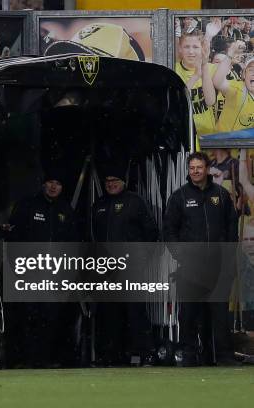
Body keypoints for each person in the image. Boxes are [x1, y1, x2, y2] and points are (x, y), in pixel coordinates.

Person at [163, 152, 238, 366]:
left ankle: (223, 357)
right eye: (192, 168)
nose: (195, 171)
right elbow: (169, 231)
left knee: (219, 316)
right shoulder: (179, 197)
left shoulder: (222, 195)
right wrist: (181, 255)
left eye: (199, 167)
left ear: (207, 169)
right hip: (190, 268)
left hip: (218, 266)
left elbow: (231, 228)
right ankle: (189, 357)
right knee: (188, 315)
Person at [2, 169, 81, 367]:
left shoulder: (66, 209)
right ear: (44, 184)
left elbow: (73, 243)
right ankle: (26, 359)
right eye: (51, 182)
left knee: (52, 318)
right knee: (28, 317)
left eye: (58, 184)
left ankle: (47, 359)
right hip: (29, 273)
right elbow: (12, 239)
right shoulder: (27, 205)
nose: (54, 187)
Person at [91, 163, 159, 366]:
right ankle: (112, 355)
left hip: (131, 267)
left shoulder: (135, 201)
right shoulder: (99, 204)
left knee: (135, 312)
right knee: (109, 313)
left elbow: (151, 232)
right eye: (108, 181)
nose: (111, 184)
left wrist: (141, 257)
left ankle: (146, 353)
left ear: (124, 182)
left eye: (115, 181)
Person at [175, 28, 217, 139]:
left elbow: (210, 101)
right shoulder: (174, 70)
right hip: (185, 135)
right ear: (180, 49)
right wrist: (195, 76)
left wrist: (204, 66)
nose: (191, 51)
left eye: (195, 47)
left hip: (207, 135)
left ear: (202, 49)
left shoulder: (211, 68)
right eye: (186, 47)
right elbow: (177, 101)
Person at [213, 51, 254, 133]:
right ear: (244, 75)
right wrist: (229, 56)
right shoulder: (237, 89)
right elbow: (218, 82)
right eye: (251, 70)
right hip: (224, 144)